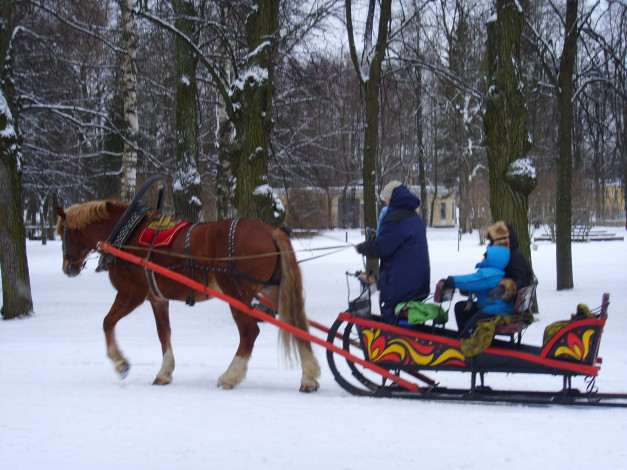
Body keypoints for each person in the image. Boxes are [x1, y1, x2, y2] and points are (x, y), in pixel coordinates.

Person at [355, 181, 430, 323]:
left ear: (393, 198)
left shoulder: (395, 218)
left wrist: (363, 247)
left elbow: (381, 247)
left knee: (393, 321)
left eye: (387, 199)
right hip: (418, 284)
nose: (385, 203)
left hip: (401, 287)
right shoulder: (414, 217)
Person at [445, 242, 514, 338]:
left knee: (470, 325)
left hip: (494, 311)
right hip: (495, 308)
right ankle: (462, 335)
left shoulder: (489, 274)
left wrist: (451, 281)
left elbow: (471, 281)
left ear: (493, 260)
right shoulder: (498, 272)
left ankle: (469, 341)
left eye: (485, 256)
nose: (483, 258)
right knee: (461, 307)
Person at [486, 221, 535, 302]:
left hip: (504, 302)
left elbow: (523, 279)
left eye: (492, 241)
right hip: (497, 299)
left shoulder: (512, 257)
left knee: (462, 309)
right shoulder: (503, 256)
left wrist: (503, 288)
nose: (490, 244)